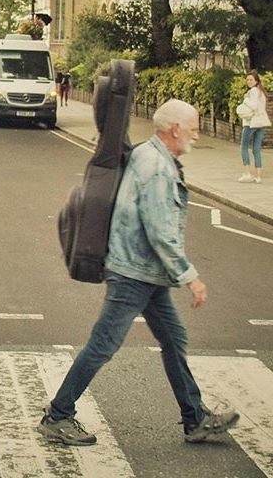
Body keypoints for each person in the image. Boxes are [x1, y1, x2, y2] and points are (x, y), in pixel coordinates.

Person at [38, 99, 239, 446]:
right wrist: (191, 277)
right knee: (102, 346)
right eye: (193, 126)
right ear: (174, 128)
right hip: (134, 274)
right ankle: (57, 415)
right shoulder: (157, 168)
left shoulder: (152, 154)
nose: (197, 132)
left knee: (174, 342)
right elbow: (160, 230)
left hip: (148, 274)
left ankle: (195, 419)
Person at [238, 70, 271, 184]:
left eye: (251, 79)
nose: (248, 82)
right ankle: (258, 176)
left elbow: (253, 106)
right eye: (247, 79)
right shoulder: (262, 92)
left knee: (244, 147)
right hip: (260, 123)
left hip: (250, 123)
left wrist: (246, 98)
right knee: (256, 149)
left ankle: (247, 173)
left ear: (256, 81)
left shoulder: (253, 91)